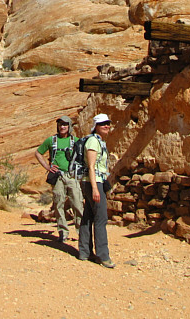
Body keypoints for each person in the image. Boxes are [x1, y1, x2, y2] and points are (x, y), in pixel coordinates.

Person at [35, 115, 83, 243]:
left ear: (69, 127)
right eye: (60, 124)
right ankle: (63, 232)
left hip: (72, 175)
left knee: (77, 203)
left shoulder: (76, 141)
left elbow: (83, 154)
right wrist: (47, 166)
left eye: (65, 125)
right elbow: (38, 153)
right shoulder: (51, 140)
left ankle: (81, 232)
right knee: (59, 203)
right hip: (58, 177)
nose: (62, 127)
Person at [78, 113, 115, 268]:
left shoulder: (98, 141)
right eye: (103, 124)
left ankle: (84, 252)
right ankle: (103, 256)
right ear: (96, 127)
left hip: (91, 182)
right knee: (101, 218)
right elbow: (92, 167)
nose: (106, 126)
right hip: (93, 182)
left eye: (108, 123)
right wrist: (95, 188)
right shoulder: (93, 141)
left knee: (88, 216)